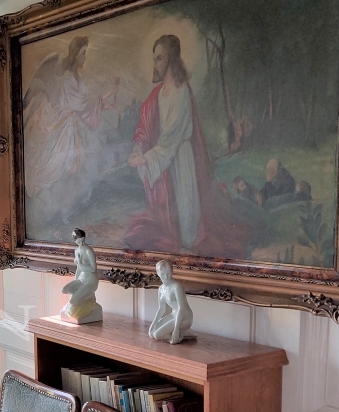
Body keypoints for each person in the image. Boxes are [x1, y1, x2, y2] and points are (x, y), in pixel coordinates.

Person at [124, 35, 247, 257]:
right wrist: (137, 150)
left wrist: (146, 159)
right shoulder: (157, 94)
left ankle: (189, 245)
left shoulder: (181, 91)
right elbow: (144, 125)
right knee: (171, 220)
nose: (155, 64)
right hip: (164, 160)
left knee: (187, 219)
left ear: (171, 59)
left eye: (159, 58)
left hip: (181, 158)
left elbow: (171, 136)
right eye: (154, 58)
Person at [23, 36, 119, 225]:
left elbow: (88, 105)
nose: (85, 58)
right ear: (75, 55)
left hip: (76, 124)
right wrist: (109, 92)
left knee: (82, 164)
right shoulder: (67, 79)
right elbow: (81, 104)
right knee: (63, 167)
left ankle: (72, 207)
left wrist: (108, 105)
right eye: (83, 53)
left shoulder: (79, 78)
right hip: (65, 126)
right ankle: (56, 211)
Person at [60, 228, 101, 322]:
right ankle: (86, 295)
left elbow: (93, 269)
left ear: (83, 238)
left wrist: (80, 263)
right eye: (75, 238)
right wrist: (76, 280)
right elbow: (78, 269)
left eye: (78, 237)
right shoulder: (77, 250)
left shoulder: (88, 251)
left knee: (73, 301)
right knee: (65, 290)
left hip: (90, 280)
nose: (77, 240)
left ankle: (88, 299)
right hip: (82, 279)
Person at [148, 260, 194, 345]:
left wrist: (176, 329)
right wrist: (154, 323)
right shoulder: (161, 288)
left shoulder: (176, 287)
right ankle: (183, 332)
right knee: (151, 333)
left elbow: (181, 308)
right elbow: (161, 308)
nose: (166, 277)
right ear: (158, 273)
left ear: (172, 271)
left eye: (168, 273)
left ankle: (180, 335)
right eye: (162, 274)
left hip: (185, 317)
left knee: (157, 335)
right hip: (174, 315)